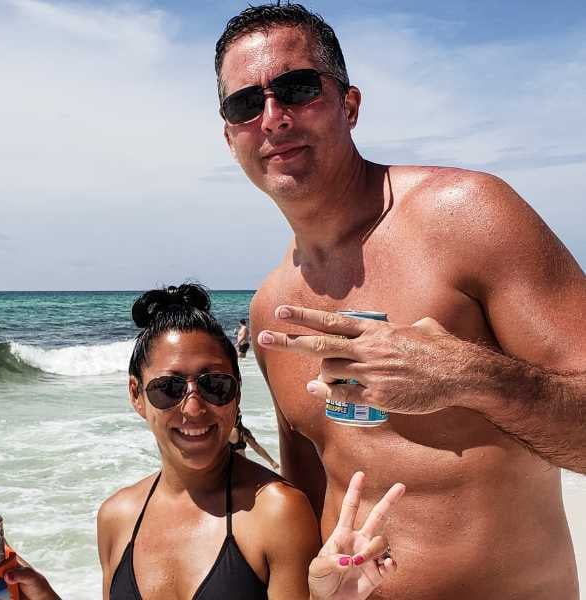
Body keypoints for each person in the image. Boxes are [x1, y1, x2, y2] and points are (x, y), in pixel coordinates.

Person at [214, 3, 586, 599]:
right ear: (230, 135)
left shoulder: (468, 214)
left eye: (298, 88)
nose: (273, 117)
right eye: (245, 104)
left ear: (349, 105)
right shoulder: (270, 310)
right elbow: (312, 508)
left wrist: (468, 378)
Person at [0, 284, 405, 599]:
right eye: (168, 388)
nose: (192, 408)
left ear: (236, 394)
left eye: (215, 386)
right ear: (136, 395)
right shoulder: (117, 516)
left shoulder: (274, 511)